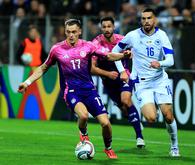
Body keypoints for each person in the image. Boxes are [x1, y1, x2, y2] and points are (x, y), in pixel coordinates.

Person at [17, 19, 130, 159]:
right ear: (65, 32)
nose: (71, 35)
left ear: (80, 32)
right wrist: (27, 83)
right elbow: (43, 68)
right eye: (68, 32)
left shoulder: (88, 46)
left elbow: (108, 55)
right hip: (70, 91)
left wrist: (122, 55)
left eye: (74, 32)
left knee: (106, 123)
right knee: (83, 115)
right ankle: (84, 134)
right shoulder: (57, 49)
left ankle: (108, 148)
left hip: (89, 90)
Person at [112, 8, 180, 157]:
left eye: (149, 18)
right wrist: (122, 71)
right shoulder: (132, 36)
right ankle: (152, 107)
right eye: (143, 18)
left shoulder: (162, 35)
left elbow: (171, 60)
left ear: (154, 19)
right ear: (140, 20)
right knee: (150, 118)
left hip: (160, 80)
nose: (146, 21)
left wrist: (160, 63)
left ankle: (174, 146)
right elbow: (115, 52)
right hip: (143, 84)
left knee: (168, 116)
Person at [91, 16, 145, 148]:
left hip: (124, 76)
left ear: (114, 27)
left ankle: (139, 137)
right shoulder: (96, 43)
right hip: (109, 82)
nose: (106, 29)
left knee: (126, 100)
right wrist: (107, 74)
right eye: (104, 27)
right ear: (101, 28)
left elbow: (135, 52)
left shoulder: (122, 40)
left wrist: (130, 54)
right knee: (124, 108)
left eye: (109, 26)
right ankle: (134, 119)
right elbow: (91, 68)